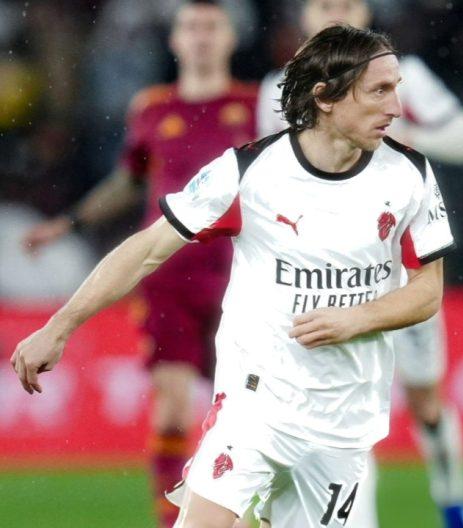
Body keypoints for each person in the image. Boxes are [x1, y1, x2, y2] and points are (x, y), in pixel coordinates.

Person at [12, 24, 455, 528]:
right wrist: (60, 326)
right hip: (254, 405)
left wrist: (356, 318)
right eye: (379, 90)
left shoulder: (409, 175)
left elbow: (427, 291)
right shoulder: (250, 172)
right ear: (325, 97)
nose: (396, 107)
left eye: (396, 88)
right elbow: (147, 249)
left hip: (343, 420)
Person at [21, 1, 256, 526]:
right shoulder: (151, 107)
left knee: (243, 415)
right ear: (174, 40)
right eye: (191, 27)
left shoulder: (258, 104)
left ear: (229, 38)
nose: (200, 36)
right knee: (172, 411)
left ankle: (241, 513)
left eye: (211, 27)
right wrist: (72, 222)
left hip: (240, 277)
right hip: (169, 277)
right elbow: (129, 180)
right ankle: (171, 522)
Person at [257, 1, 463, 527]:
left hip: (399, 274)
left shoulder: (404, 76)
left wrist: (410, 139)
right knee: (336, 412)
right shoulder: (278, 86)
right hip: (319, 278)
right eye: (324, 4)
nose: (335, 13)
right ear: (303, 15)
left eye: (347, 4)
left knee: (425, 402)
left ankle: (453, 500)